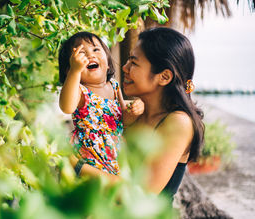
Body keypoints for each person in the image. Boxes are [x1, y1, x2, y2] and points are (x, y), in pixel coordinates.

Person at [70, 27, 205, 197]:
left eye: (134, 63)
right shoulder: (132, 113)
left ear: (164, 77)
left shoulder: (178, 123)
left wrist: (76, 166)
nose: (125, 68)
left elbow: (140, 194)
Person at [58, 32, 143, 176]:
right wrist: (75, 71)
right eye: (81, 53)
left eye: (96, 49)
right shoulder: (80, 91)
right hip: (88, 155)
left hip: (114, 153)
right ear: (69, 70)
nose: (90, 55)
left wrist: (136, 109)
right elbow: (66, 107)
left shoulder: (114, 86)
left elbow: (123, 119)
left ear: (108, 64)